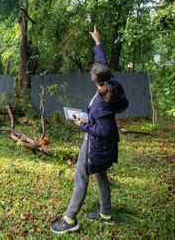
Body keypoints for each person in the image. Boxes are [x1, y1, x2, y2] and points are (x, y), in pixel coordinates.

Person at [50, 25, 129, 234]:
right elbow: (104, 64)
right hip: (103, 145)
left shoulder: (101, 103)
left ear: (94, 79)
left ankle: (69, 219)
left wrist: (83, 124)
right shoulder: (113, 84)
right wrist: (97, 41)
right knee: (100, 175)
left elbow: (104, 130)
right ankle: (105, 214)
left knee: (80, 177)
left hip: (96, 144)